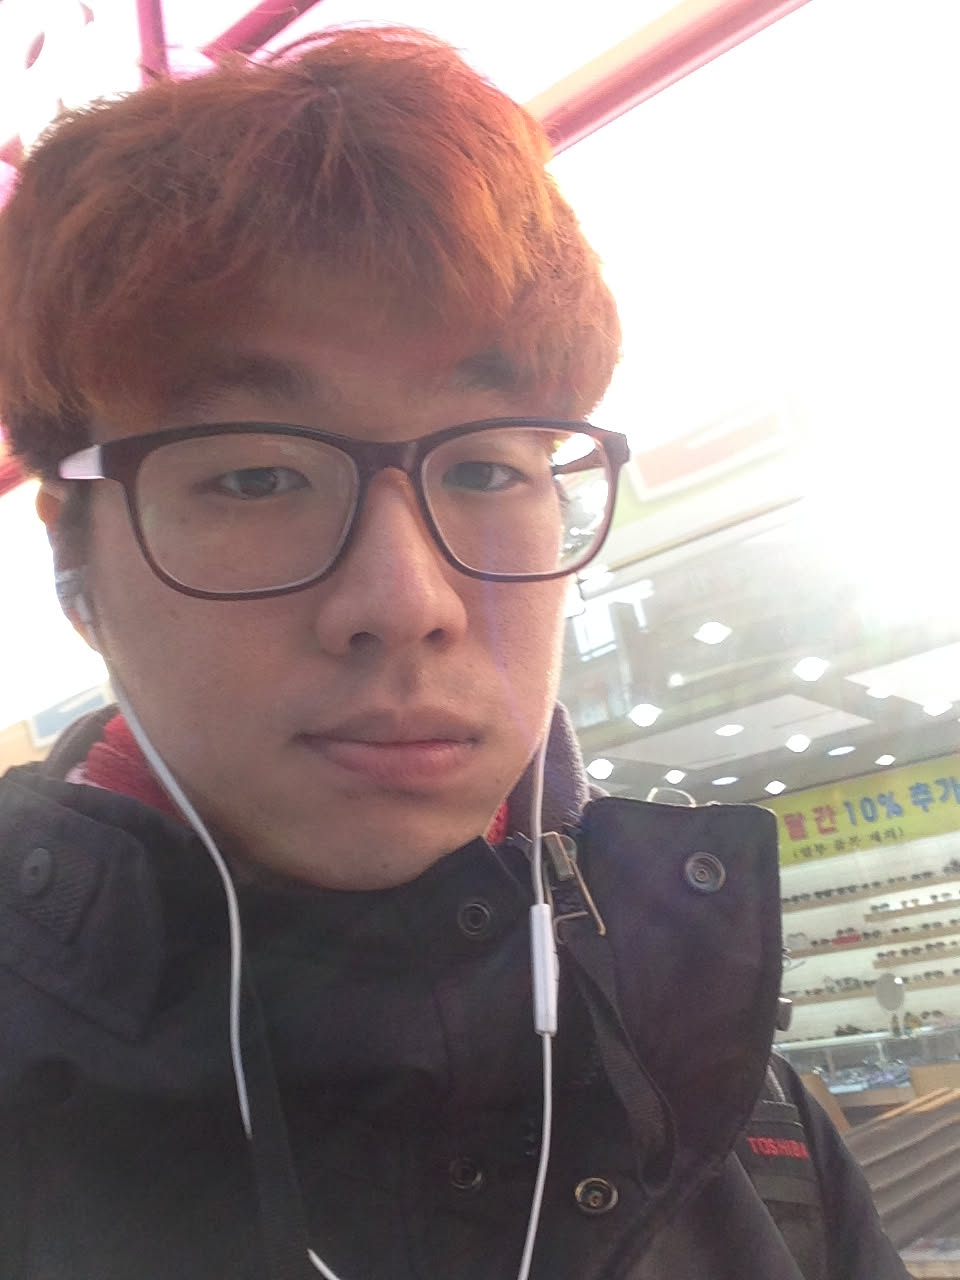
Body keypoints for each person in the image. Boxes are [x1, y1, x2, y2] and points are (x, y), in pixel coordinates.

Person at [0, 25, 908, 1280]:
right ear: (75, 560)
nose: (405, 599)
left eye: (484, 469)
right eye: (256, 476)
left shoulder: (740, 1125)